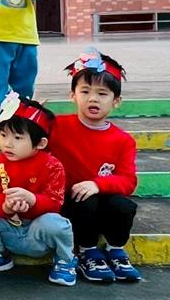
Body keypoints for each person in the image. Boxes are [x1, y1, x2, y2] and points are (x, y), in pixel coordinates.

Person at [49, 50, 140, 283]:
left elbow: (128, 181)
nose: (93, 99)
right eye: (85, 91)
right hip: (71, 205)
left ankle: (115, 249)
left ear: (116, 101)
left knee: (123, 205)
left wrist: (98, 184)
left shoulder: (123, 141)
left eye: (102, 93)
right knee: (84, 199)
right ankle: (87, 250)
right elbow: (27, 135)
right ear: (73, 95)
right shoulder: (57, 127)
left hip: (103, 202)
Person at [0, 94, 76, 286]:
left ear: (40, 143)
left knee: (57, 223)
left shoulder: (52, 165)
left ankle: (65, 261)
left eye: (17, 138)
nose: (8, 143)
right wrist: (6, 207)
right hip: (7, 229)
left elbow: (55, 202)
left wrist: (33, 200)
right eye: (3, 135)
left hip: (37, 233)